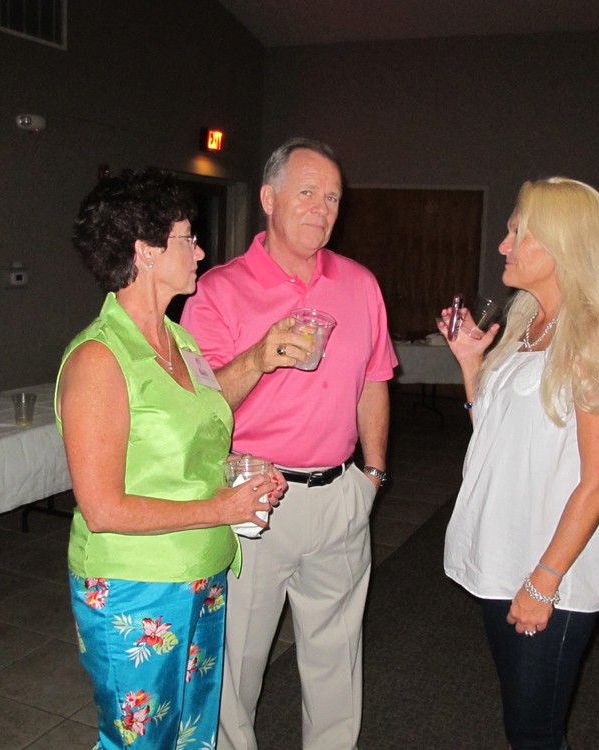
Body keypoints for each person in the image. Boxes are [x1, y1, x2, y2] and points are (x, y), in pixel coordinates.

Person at [57, 168, 285, 750]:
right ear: (145, 251)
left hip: (202, 570)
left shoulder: (179, 341)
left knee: (190, 735)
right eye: (188, 238)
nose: (201, 251)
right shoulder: (99, 359)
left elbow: (194, 427)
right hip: (136, 586)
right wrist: (221, 508)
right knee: (139, 742)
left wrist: (243, 470)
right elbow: (102, 509)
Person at [181, 138, 397, 750]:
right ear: (269, 199)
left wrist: (373, 475)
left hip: (339, 493)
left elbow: (375, 381)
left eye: (332, 197)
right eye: (307, 192)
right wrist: (258, 357)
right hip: (252, 496)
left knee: (337, 658)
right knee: (236, 663)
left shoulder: (360, 285)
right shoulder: (218, 290)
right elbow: (197, 409)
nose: (321, 208)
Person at [439, 177, 599, 750]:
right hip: (507, 550)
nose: (503, 246)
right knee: (523, 721)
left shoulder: (596, 339)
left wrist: (544, 581)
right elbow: (492, 435)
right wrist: (471, 364)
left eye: (518, 233)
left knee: (534, 731)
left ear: (562, 243)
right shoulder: (528, 324)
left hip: (552, 566)